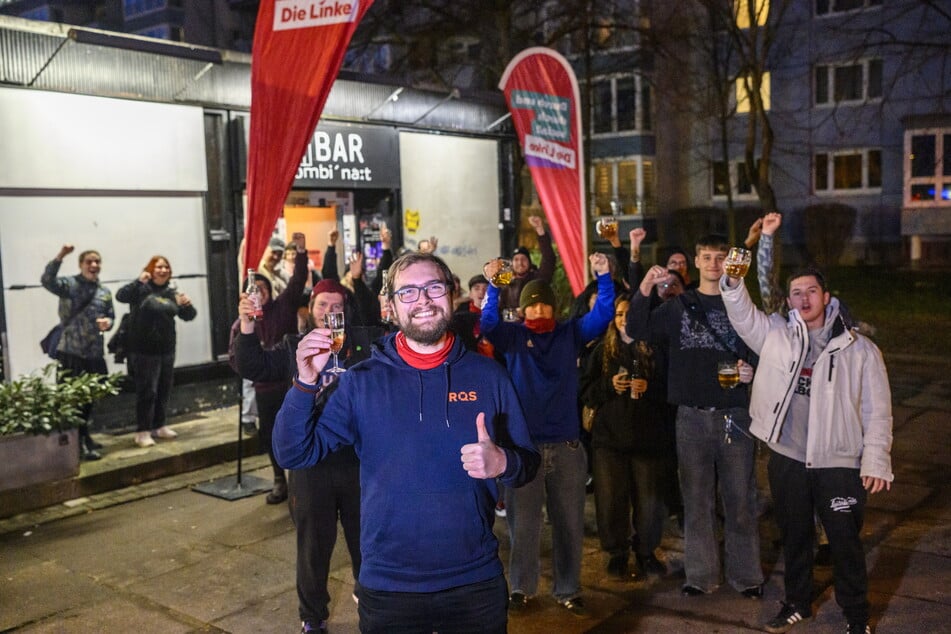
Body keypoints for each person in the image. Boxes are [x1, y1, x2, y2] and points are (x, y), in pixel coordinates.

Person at [273, 252, 539, 633]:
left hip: (474, 583)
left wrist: (503, 464)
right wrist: (304, 383)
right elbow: (293, 451)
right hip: (388, 587)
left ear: (451, 294)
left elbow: (528, 464)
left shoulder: (489, 375)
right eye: (408, 292)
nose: (424, 301)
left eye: (433, 287)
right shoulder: (360, 381)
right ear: (391, 307)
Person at [722, 271, 893, 634]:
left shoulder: (859, 349)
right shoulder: (775, 335)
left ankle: (857, 616)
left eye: (811, 291)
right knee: (795, 536)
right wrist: (734, 285)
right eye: (796, 293)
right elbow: (742, 315)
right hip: (788, 457)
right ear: (788, 302)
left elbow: (877, 410)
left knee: (845, 542)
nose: (803, 298)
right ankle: (796, 604)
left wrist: (876, 460)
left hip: (839, 462)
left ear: (826, 296)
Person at [626, 235, 764, 599]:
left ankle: (747, 577)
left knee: (740, 500)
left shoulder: (742, 305)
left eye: (721, 258)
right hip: (690, 416)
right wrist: (643, 287)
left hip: (734, 414)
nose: (715, 264)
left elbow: (765, 349)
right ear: (696, 262)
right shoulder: (680, 306)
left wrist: (752, 370)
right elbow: (637, 329)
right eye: (707, 257)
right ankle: (701, 577)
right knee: (697, 501)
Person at [236, 278, 376, 634]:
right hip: (312, 464)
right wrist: (248, 323)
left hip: (359, 462)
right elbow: (252, 365)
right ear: (310, 310)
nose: (330, 313)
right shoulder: (294, 347)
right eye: (322, 306)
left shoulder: (361, 344)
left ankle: (369, 594)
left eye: (337, 307)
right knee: (313, 547)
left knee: (367, 539)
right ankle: (313, 615)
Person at [482, 252, 614, 616]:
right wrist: (493, 289)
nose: (539, 312)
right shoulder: (512, 337)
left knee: (569, 524)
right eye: (532, 307)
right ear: (523, 311)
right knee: (523, 526)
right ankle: (522, 588)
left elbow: (603, 315)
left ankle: (568, 588)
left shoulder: (570, 333)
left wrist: (604, 277)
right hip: (524, 450)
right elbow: (488, 324)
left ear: (554, 309)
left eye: (545, 307)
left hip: (567, 447)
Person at [580, 295, 673, 580]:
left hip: (647, 440)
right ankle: (616, 554)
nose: (623, 319)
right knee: (611, 502)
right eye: (619, 314)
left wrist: (650, 387)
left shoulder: (655, 349)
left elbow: (671, 392)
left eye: (629, 314)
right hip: (609, 441)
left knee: (649, 503)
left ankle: (646, 553)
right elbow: (584, 390)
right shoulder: (601, 351)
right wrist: (609, 386)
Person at [230, 237, 309, 503]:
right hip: (265, 389)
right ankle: (278, 478)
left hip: (291, 384)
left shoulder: (283, 307)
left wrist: (300, 251)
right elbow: (236, 356)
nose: (259, 292)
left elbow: (298, 280)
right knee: (270, 434)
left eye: (263, 288)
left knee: (298, 429)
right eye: (255, 289)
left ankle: (301, 481)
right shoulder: (242, 324)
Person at [41, 244, 115, 461]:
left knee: (91, 398)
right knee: (73, 400)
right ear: (81, 265)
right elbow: (47, 281)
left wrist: (108, 323)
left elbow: (111, 314)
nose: (94, 265)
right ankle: (78, 443)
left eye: (97, 261)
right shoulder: (69, 285)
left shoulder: (104, 291)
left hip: (94, 353)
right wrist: (60, 256)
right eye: (89, 261)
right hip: (71, 352)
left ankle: (85, 436)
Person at [116, 256, 196, 448]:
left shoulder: (171, 292)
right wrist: (138, 281)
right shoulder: (141, 289)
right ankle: (142, 431)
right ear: (150, 270)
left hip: (166, 349)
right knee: (147, 391)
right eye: (158, 267)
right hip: (143, 350)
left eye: (166, 267)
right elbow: (121, 296)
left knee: (164, 388)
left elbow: (189, 316)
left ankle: (159, 426)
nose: (162, 270)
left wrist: (186, 304)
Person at [498, 215, 556, 311]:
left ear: (529, 263)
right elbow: (500, 311)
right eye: (516, 260)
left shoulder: (537, 279)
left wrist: (540, 229)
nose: (520, 263)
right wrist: (515, 314)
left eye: (523, 259)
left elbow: (549, 258)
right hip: (512, 325)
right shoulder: (505, 285)